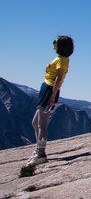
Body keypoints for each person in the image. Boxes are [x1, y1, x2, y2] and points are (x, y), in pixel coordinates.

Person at [27, 35, 74, 167]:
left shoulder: (62, 60)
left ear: (61, 46)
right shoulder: (60, 59)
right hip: (47, 89)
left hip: (49, 90)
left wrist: (52, 97)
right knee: (35, 123)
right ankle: (38, 149)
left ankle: (40, 154)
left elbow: (58, 79)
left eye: (56, 42)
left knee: (42, 124)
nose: (53, 44)